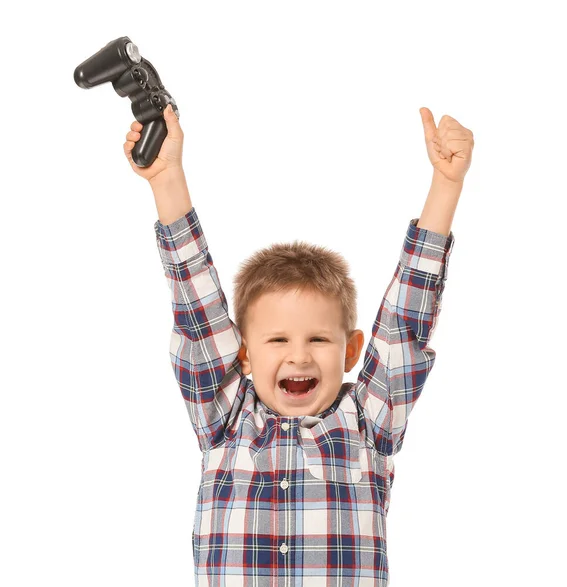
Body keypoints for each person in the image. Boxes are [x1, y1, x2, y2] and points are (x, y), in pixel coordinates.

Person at [123, 102, 474, 586]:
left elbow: (403, 323)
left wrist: (446, 185)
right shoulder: (225, 419)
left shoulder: (368, 422)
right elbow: (197, 305)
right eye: (278, 339)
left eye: (318, 339)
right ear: (243, 352)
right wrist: (166, 178)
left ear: (351, 351)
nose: (299, 355)